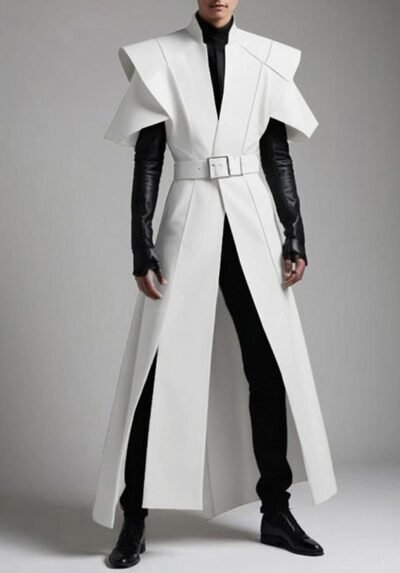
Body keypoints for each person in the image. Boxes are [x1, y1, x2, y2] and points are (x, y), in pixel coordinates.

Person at [94, 1, 337, 568]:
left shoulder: (266, 58)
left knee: (267, 367)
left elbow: (276, 153)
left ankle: (275, 511)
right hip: (187, 218)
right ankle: (135, 518)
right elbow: (148, 160)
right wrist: (140, 245)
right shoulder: (159, 58)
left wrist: (294, 232)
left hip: (252, 222)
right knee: (154, 372)